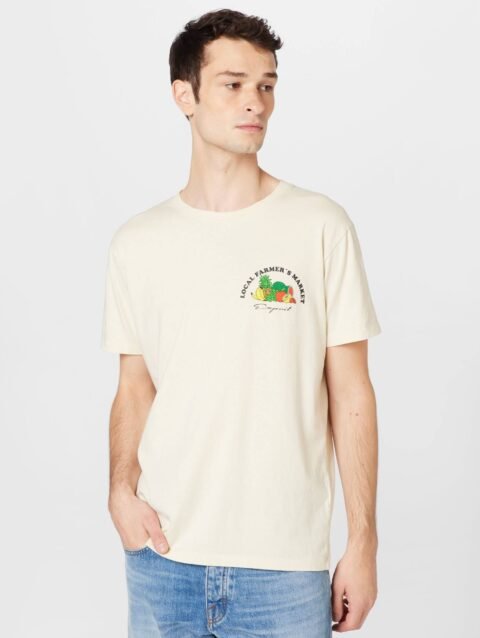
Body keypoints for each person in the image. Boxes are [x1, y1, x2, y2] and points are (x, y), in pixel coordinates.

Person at [101, 8, 381, 637]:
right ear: (185, 95)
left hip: (283, 568)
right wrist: (120, 490)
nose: (255, 101)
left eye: (266, 85)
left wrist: (363, 540)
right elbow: (135, 386)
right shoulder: (137, 242)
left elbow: (352, 393)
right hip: (162, 557)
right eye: (232, 84)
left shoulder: (320, 225)